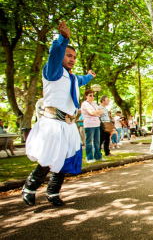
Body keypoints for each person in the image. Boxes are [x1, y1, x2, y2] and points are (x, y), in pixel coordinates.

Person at [23, 21, 95, 206]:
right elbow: (54, 55)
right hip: (53, 124)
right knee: (48, 158)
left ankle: (53, 193)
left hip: (68, 125)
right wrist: (63, 39)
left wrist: (90, 76)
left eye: (74, 57)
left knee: (65, 160)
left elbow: (81, 80)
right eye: (68, 55)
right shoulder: (53, 71)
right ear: (61, 55)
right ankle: (29, 188)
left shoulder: (72, 77)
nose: (72, 59)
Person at [81, 89, 104, 163]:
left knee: (97, 141)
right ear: (86, 96)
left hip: (97, 124)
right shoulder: (85, 104)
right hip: (89, 125)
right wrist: (96, 113)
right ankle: (89, 158)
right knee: (89, 142)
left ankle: (98, 156)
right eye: (90, 95)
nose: (92, 97)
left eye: (93, 95)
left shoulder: (94, 103)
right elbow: (91, 113)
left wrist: (96, 113)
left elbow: (101, 111)